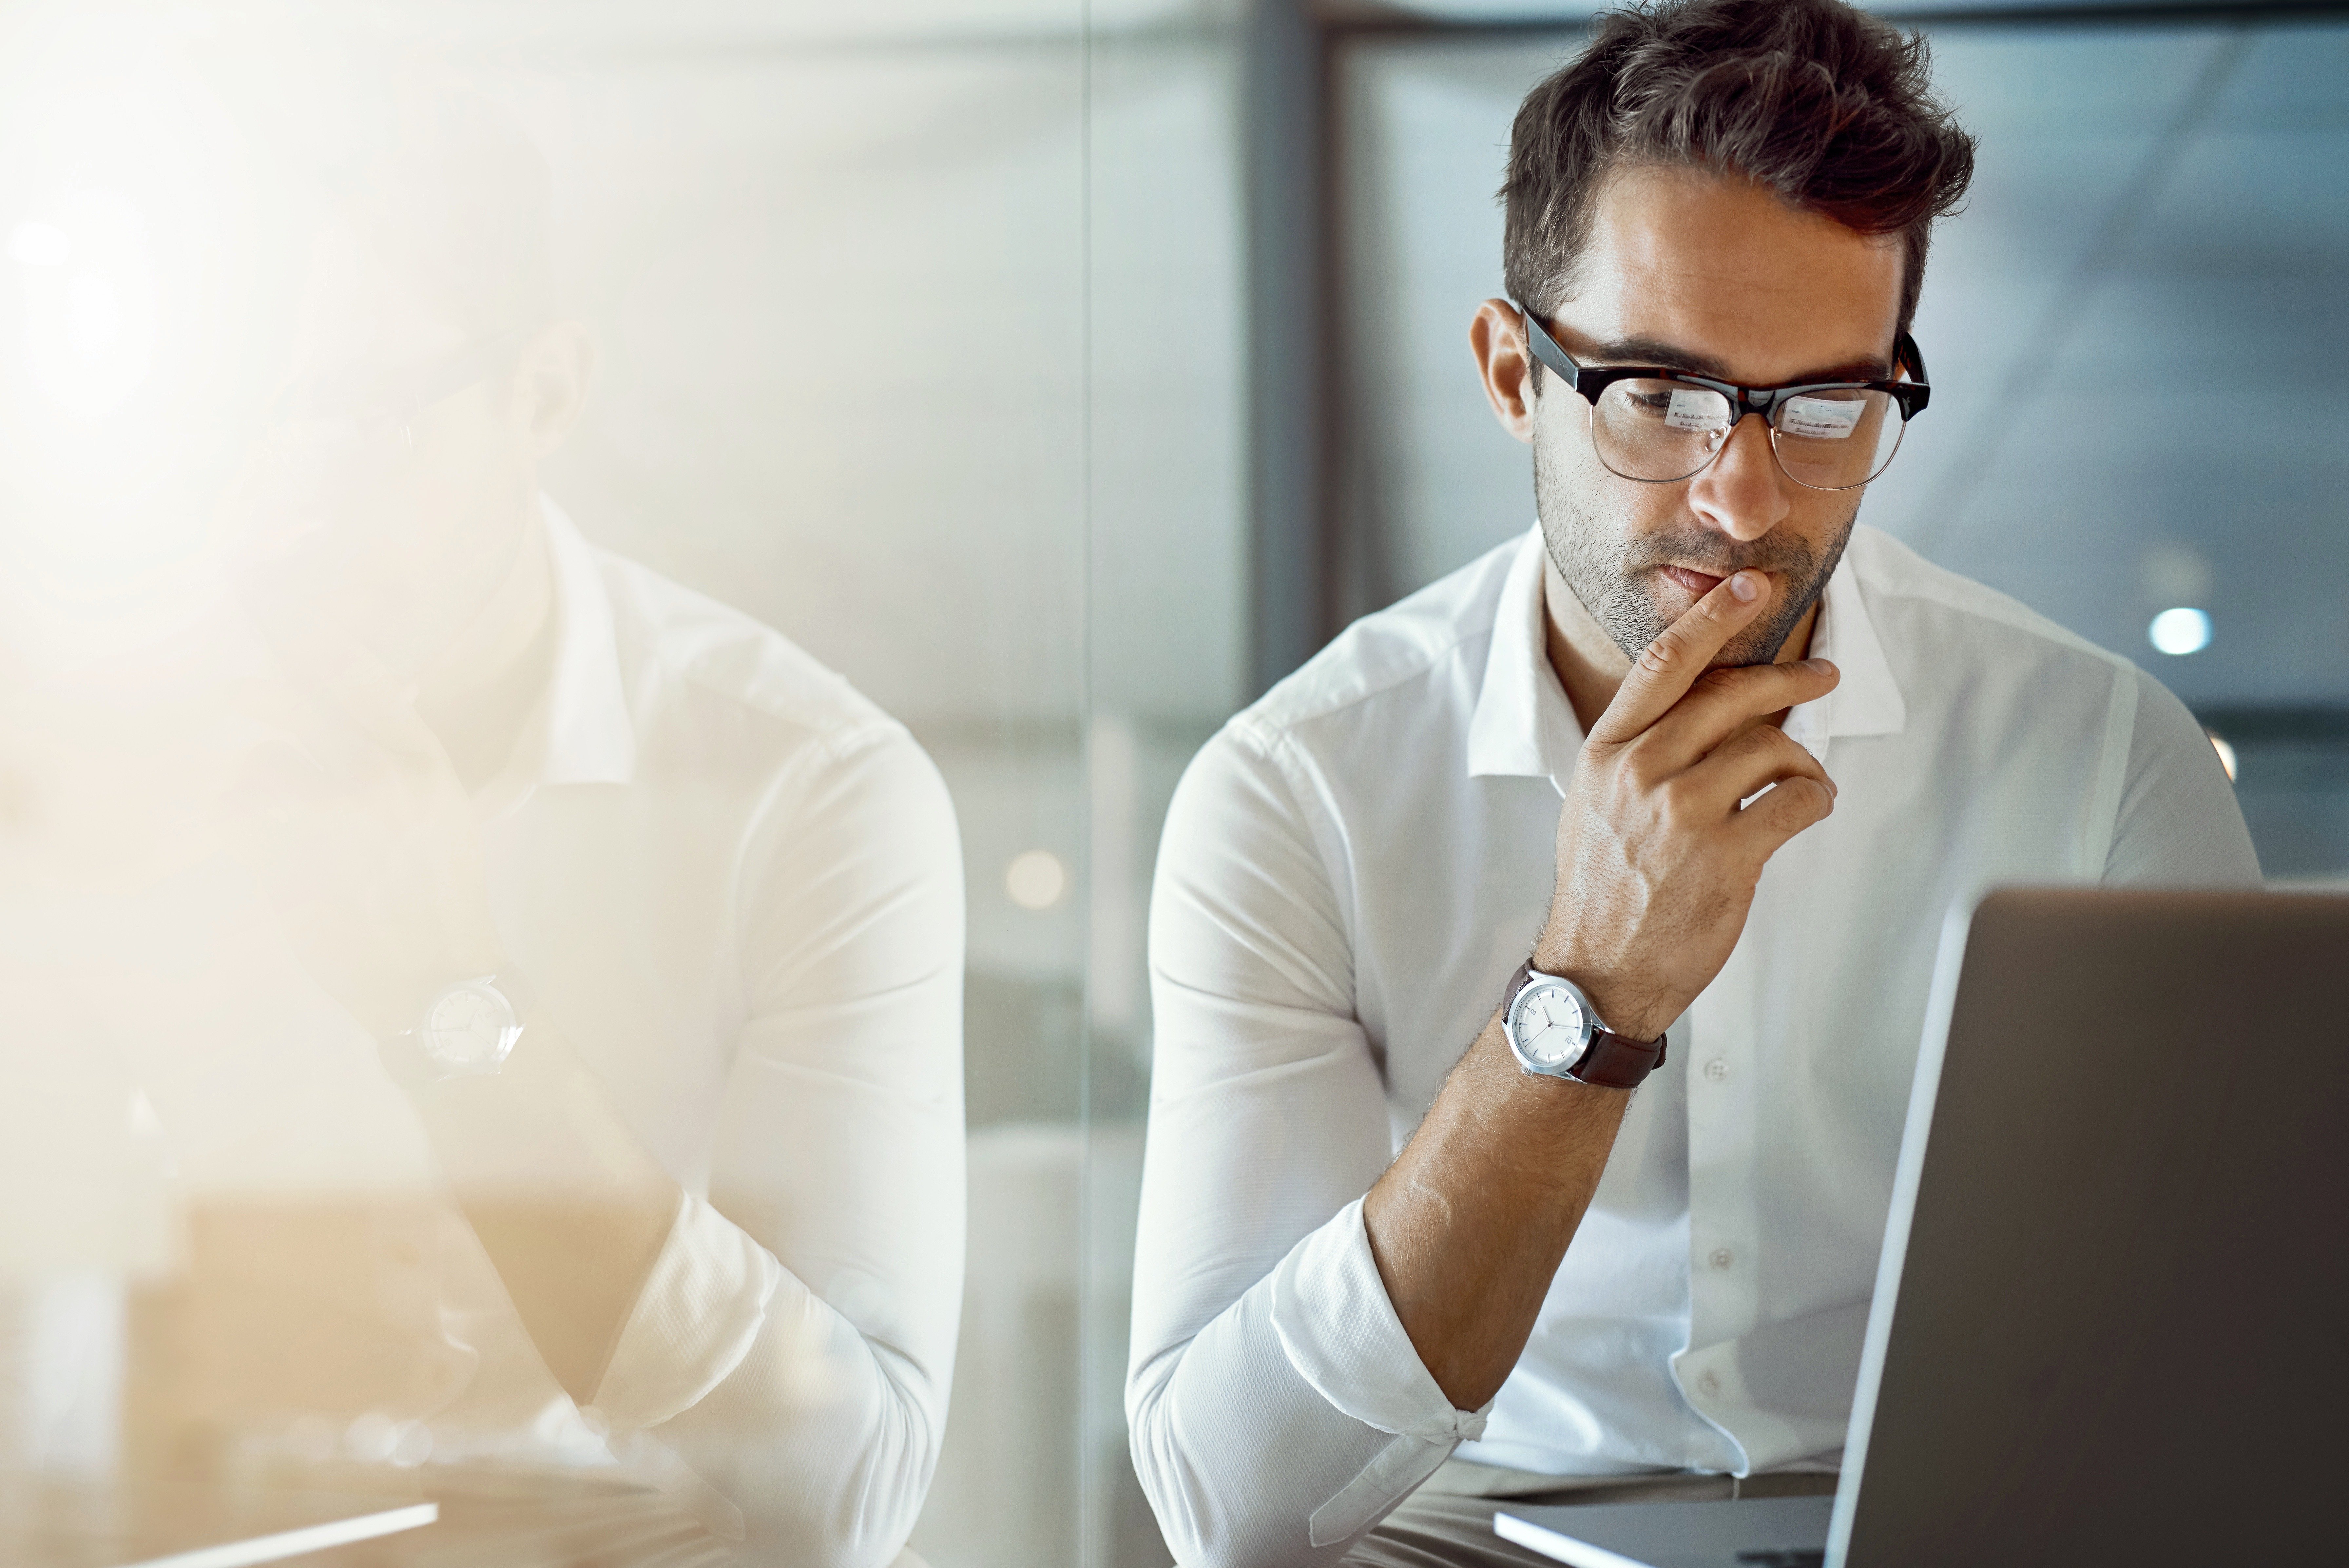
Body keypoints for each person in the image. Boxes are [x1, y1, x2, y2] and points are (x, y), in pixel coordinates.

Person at [1125, 3, 2258, 1565]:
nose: (1741, 498)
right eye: (1657, 394)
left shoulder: (2095, 755)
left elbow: (2236, 1359)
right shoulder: (1293, 791)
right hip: (1460, 1529)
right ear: (1512, 375)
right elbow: (1227, 1500)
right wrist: (1584, 998)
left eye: (1821, 407)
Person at [134, 91, 963, 1567]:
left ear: (544, 393)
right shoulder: (95, 767)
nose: (281, 510)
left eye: (359, 416)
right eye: (222, 427)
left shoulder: (810, 788)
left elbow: (853, 1494)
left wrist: (450, 1009)